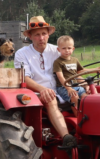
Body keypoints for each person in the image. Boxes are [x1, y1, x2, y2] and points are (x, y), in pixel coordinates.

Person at [14, 16, 77, 149]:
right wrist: (42, 89)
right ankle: (67, 137)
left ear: (48, 35)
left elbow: (71, 68)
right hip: (35, 93)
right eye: (37, 35)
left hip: (60, 90)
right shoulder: (22, 53)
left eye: (44, 34)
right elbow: (24, 78)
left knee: (83, 96)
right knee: (51, 98)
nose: (41, 38)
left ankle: (85, 131)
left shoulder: (57, 50)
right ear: (30, 36)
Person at [53, 35, 89, 107]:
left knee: (87, 98)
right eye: (64, 48)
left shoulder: (75, 60)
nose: (67, 50)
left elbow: (80, 72)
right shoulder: (58, 62)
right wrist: (68, 88)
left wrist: (96, 69)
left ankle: (89, 116)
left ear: (73, 49)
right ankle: (77, 116)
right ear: (58, 49)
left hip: (76, 85)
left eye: (69, 48)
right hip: (63, 87)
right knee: (74, 96)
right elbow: (60, 77)